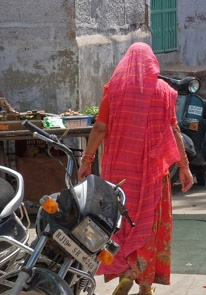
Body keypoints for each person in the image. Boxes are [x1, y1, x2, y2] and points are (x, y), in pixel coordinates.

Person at [77, 42, 194, 295]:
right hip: (153, 174)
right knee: (149, 221)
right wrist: (184, 167)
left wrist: (87, 161)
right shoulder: (164, 91)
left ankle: (125, 272)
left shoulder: (115, 89)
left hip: (118, 173)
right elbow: (174, 131)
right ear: (153, 63)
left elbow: (99, 128)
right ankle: (144, 281)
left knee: (119, 222)